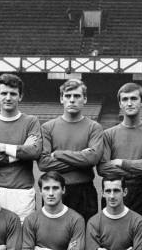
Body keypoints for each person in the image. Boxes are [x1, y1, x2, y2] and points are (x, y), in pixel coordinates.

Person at [0, 73, 42, 223]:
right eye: (4, 93)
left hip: (23, 192)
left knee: (22, 240)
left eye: (13, 94)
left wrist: (4, 147)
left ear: (20, 96)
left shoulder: (31, 121)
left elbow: (35, 151)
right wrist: (20, 151)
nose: (8, 97)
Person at [38, 79, 103, 222]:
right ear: (61, 98)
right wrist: (82, 160)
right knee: (54, 239)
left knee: (85, 238)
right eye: (68, 96)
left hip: (84, 192)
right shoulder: (48, 127)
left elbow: (93, 159)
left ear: (84, 99)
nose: (72, 100)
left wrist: (59, 154)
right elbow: (43, 163)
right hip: (55, 191)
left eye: (77, 96)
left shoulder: (94, 127)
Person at [97, 83, 142, 218]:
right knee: (113, 237)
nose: (129, 103)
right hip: (114, 192)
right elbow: (102, 168)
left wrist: (120, 162)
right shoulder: (108, 134)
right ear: (120, 104)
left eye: (134, 98)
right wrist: (137, 168)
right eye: (125, 99)